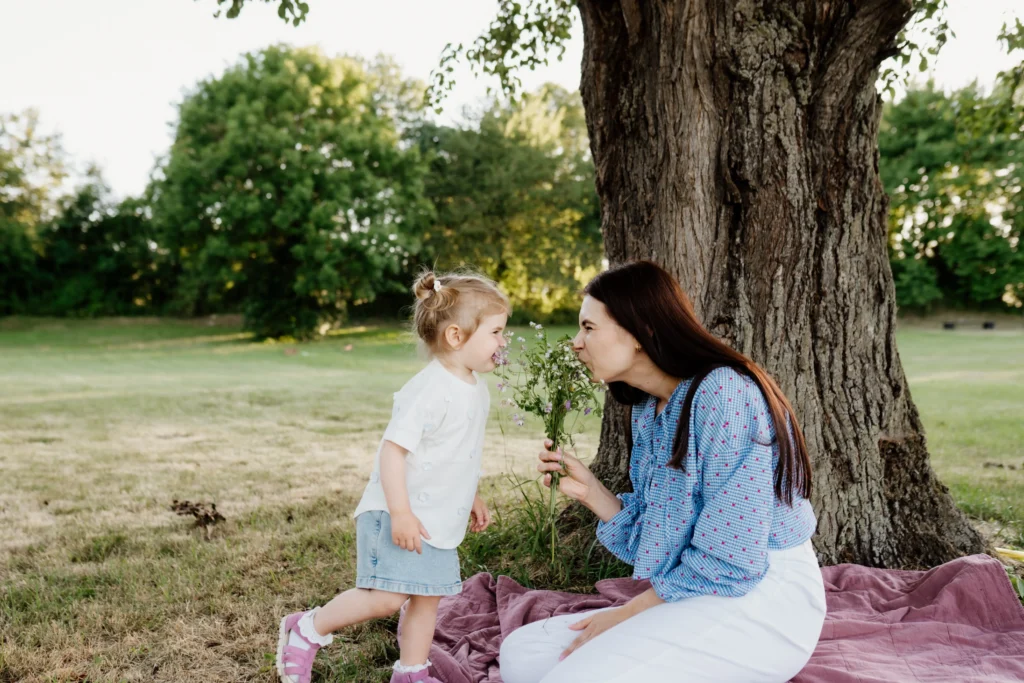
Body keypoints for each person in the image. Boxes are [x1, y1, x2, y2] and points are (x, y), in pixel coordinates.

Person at [499, 260, 825, 683]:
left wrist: (625, 616)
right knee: (522, 654)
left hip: (762, 599)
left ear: (639, 332)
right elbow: (664, 541)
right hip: (697, 590)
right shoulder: (647, 409)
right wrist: (591, 492)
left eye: (589, 328)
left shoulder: (723, 394)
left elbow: (732, 561)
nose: (576, 343)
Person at [276, 269, 510, 683]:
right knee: (386, 598)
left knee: (426, 599)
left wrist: (471, 494)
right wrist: (400, 513)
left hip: (437, 520)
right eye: (495, 332)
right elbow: (392, 452)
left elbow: (459, 454)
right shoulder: (429, 389)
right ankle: (307, 628)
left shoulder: (476, 388)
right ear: (456, 336)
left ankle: (411, 672)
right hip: (397, 512)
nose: (502, 342)